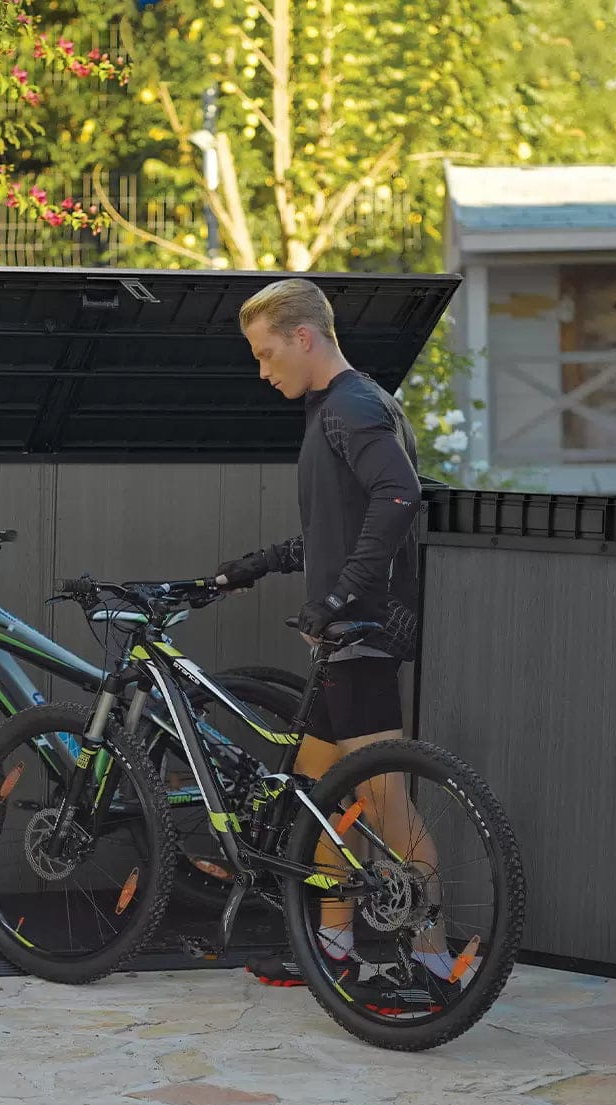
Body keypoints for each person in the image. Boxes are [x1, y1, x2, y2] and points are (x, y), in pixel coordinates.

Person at [215, 277, 459, 1011]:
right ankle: (332, 946)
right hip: (342, 640)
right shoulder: (339, 408)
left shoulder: (351, 407)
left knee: (385, 802)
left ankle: (434, 962)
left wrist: (342, 596)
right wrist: (257, 565)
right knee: (318, 796)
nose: (262, 373)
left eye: (266, 354)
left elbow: (399, 495)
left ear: (304, 337)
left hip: (363, 636)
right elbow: (338, 527)